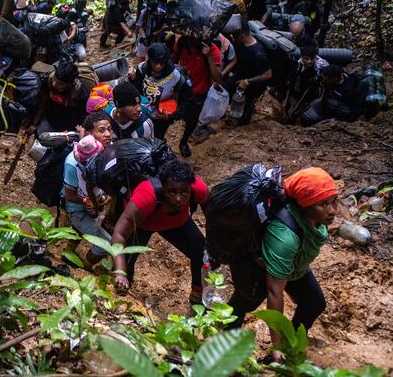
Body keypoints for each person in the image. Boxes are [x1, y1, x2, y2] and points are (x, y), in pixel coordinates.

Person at [228, 167, 339, 355]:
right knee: (241, 308)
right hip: (258, 269)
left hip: (293, 265)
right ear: (305, 205)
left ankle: (289, 345)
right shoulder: (285, 237)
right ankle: (223, 347)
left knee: (314, 303)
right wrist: (275, 346)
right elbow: (274, 292)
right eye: (323, 204)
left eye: (333, 202)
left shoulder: (314, 219)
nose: (332, 210)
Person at [111, 159, 210, 305]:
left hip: (178, 224)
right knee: (125, 269)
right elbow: (119, 235)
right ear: (163, 187)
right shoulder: (146, 196)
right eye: (172, 192)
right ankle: (124, 301)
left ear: (190, 187)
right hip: (141, 226)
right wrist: (120, 272)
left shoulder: (198, 188)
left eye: (184, 192)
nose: (178, 198)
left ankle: (197, 297)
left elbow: (212, 212)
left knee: (201, 254)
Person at [63, 113, 113, 268]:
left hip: (92, 204)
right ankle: (85, 267)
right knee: (106, 243)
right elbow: (69, 195)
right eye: (102, 130)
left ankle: (68, 253)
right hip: (77, 210)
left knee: (79, 231)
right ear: (91, 134)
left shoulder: (105, 151)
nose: (108, 134)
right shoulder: (73, 163)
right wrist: (91, 201)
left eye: (109, 129)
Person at [129, 43, 192, 141]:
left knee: (157, 137)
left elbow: (185, 100)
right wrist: (133, 80)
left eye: (162, 63)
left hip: (161, 117)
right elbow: (137, 90)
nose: (158, 66)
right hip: (142, 112)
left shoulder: (176, 76)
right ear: (150, 60)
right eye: (155, 62)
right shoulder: (142, 68)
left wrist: (171, 116)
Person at [174, 35, 222, 155]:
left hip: (198, 92)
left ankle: (184, 141)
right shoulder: (182, 42)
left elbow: (218, 78)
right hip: (180, 89)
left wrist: (209, 56)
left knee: (192, 120)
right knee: (170, 116)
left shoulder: (211, 48)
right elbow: (172, 59)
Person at [224, 25, 272, 125]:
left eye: (235, 38)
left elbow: (268, 74)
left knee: (245, 108)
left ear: (242, 36)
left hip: (252, 85)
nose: (234, 40)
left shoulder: (258, 53)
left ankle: (242, 125)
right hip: (239, 76)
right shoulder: (242, 45)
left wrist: (247, 81)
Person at [33, 61, 90, 135]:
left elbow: (84, 117)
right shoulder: (48, 81)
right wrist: (34, 123)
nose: (55, 84)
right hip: (50, 119)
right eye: (55, 80)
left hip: (70, 125)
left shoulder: (81, 94)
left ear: (70, 85)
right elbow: (43, 101)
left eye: (60, 84)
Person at [300, 65, 367, 127]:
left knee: (330, 104)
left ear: (335, 78)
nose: (323, 81)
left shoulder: (347, 90)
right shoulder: (330, 78)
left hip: (343, 109)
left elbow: (355, 111)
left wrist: (335, 120)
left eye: (326, 79)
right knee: (307, 115)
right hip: (327, 103)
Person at [285, 45, 328, 121]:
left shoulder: (322, 65)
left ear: (315, 56)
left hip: (313, 92)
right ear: (302, 57)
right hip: (298, 88)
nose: (309, 61)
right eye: (306, 59)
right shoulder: (297, 63)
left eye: (312, 59)